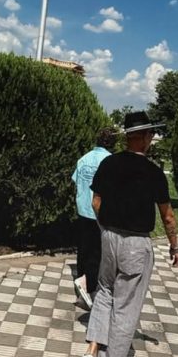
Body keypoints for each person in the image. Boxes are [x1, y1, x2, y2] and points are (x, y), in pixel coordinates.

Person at [74, 110, 178, 357]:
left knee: (104, 294)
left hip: (109, 236)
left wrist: (106, 228)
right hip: (136, 243)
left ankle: (90, 354)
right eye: (151, 134)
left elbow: (96, 202)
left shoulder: (109, 163)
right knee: (126, 307)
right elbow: (168, 216)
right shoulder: (153, 172)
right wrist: (174, 245)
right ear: (145, 137)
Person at [71, 127, 118, 309]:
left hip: (82, 210)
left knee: (83, 250)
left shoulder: (83, 159)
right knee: (98, 253)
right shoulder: (110, 162)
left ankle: (81, 283)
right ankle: (89, 287)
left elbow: (76, 181)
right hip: (99, 212)